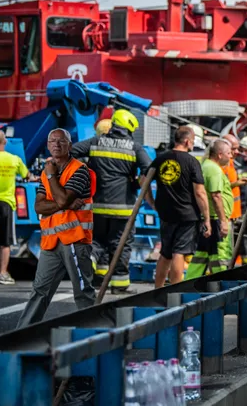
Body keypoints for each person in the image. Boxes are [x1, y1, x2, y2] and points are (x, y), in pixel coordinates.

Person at [17, 129, 98, 327]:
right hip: (51, 242)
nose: (56, 144)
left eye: (61, 141)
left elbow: (61, 199)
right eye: (52, 141)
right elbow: (39, 206)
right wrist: (64, 203)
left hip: (75, 240)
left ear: (70, 146)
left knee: (82, 291)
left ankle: (93, 334)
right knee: (40, 290)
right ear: (47, 145)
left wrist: (53, 179)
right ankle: (22, 332)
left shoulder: (79, 170)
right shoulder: (47, 172)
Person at [71, 108, 152, 294]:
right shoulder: (134, 147)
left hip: (97, 206)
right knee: (120, 244)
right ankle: (119, 285)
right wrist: (137, 183)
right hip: (123, 208)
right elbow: (148, 168)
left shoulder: (96, 142)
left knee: (97, 241)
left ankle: (92, 266)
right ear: (129, 128)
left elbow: (72, 151)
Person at [151, 126, 211, 288]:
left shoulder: (160, 159)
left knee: (165, 253)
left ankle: (158, 289)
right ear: (186, 141)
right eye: (192, 142)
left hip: (166, 214)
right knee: (179, 253)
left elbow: (143, 182)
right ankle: (175, 290)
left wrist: (153, 203)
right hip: (187, 215)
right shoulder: (192, 162)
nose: (192, 145)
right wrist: (207, 218)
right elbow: (200, 192)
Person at [0, 130, 30, 284]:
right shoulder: (14, 160)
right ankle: (3, 274)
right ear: (5, 142)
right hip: (7, 204)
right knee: (5, 241)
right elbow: (26, 176)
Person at [187, 139, 233, 278]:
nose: (231, 156)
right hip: (215, 219)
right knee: (220, 255)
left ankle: (189, 283)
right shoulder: (214, 170)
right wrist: (223, 221)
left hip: (208, 219)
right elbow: (216, 196)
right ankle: (222, 284)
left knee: (202, 254)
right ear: (220, 155)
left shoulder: (205, 166)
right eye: (229, 153)